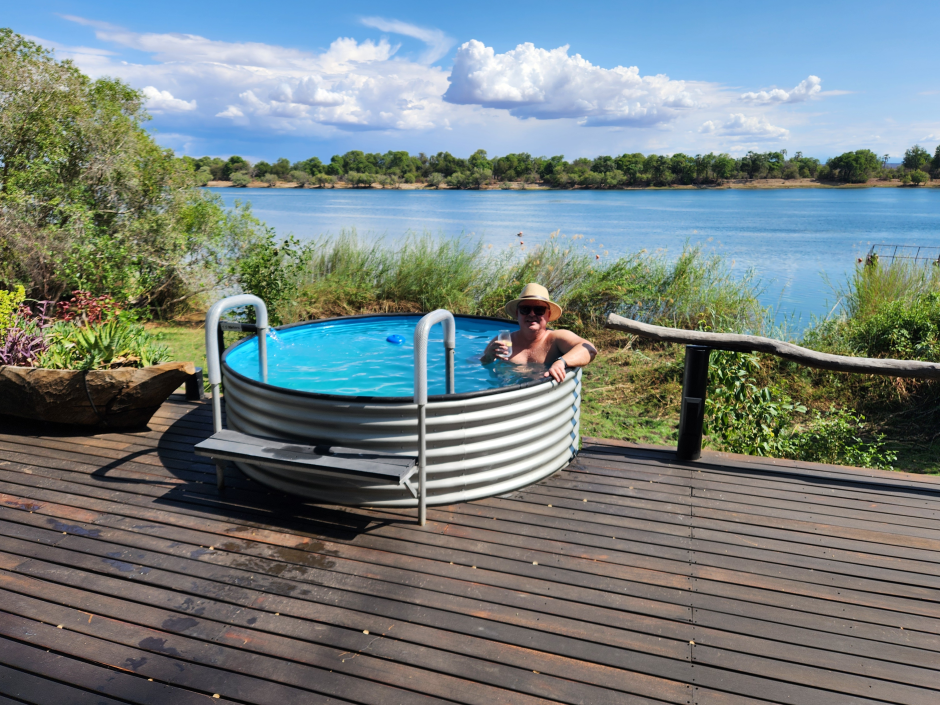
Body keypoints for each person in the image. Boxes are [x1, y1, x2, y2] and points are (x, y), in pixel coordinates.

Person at [481, 283, 596, 383]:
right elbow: (476, 362)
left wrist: (561, 362)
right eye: (525, 309)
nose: (531, 314)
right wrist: (488, 358)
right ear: (517, 313)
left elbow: (589, 349)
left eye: (539, 310)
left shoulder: (555, 338)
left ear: (548, 315)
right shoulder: (503, 341)